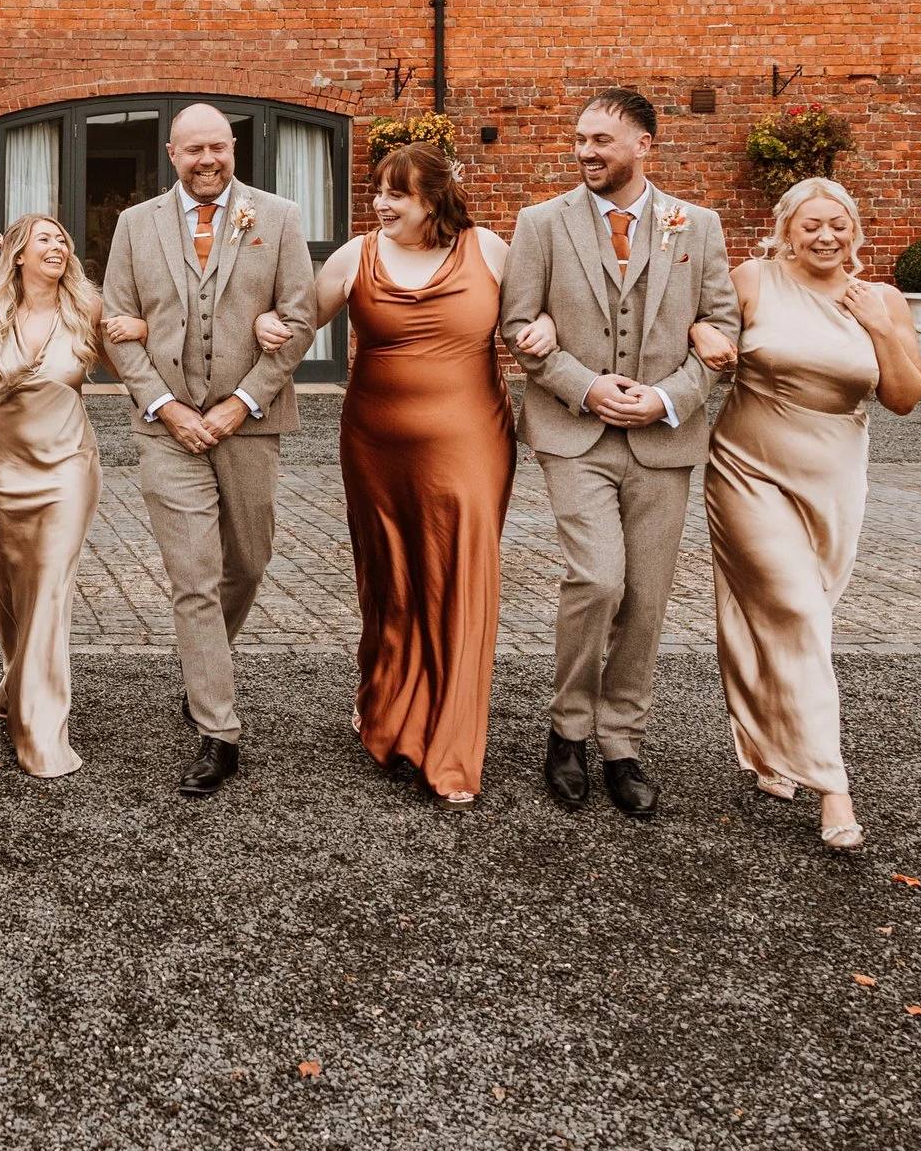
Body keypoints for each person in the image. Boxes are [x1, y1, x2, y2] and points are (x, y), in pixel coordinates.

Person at [500, 86, 738, 818]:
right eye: (580, 139)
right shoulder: (542, 223)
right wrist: (587, 386)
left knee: (647, 597)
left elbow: (722, 321)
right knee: (599, 578)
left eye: (602, 140)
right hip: (575, 435)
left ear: (644, 144)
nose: (585, 152)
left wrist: (668, 398)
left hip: (664, 438)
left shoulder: (696, 225)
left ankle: (622, 742)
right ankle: (566, 729)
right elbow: (517, 323)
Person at [262, 140, 521, 804]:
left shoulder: (489, 251)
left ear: (434, 197)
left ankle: (452, 743)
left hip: (471, 442)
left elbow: (540, 321)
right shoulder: (357, 255)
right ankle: (391, 718)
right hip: (375, 444)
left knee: (461, 578)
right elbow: (298, 326)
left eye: (396, 193)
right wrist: (265, 321)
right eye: (378, 190)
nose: (380, 203)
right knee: (392, 582)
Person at [693, 177, 921, 850]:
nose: (827, 236)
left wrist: (879, 326)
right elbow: (699, 323)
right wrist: (703, 331)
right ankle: (833, 786)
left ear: (855, 231)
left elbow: (905, 396)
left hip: (834, 477)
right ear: (785, 229)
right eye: (812, 225)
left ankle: (772, 749)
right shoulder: (752, 279)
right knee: (795, 609)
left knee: (799, 613)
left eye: (839, 225)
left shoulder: (880, 298)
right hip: (748, 469)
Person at [97, 102, 314, 797]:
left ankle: (202, 663)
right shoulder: (135, 225)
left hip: (249, 421)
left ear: (233, 146)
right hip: (166, 430)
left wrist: (238, 402)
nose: (208, 160)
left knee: (247, 561)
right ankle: (217, 728)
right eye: (193, 150)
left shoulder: (277, 216)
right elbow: (116, 328)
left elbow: (302, 319)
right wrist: (163, 406)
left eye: (218, 146)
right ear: (171, 153)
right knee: (194, 575)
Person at [0, 214, 111, 778]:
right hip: (3, 466)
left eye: (63, 238)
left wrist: (139, 334)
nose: (58, 245)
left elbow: (137, 366)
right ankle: (17, 678)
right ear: (18, 254)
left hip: (68, 463)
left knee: (50, 586)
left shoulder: (88, 308)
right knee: (11, 587)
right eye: (46, 238)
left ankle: (39, 728)